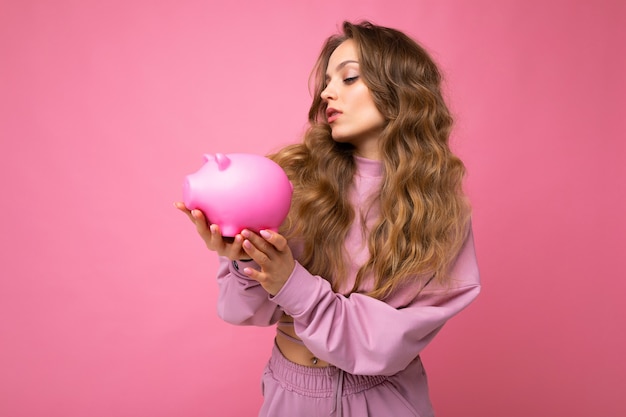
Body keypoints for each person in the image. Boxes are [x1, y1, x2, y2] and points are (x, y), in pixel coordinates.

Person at [176, 20, 480, 417]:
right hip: (292, 396)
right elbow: (240, 311)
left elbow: (383, 346)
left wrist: (292, 283)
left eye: (349, 77)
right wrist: (245, 258)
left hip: (387, 400)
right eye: (327, 80)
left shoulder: (439, 213)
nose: (326, 92)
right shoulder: (290, 180)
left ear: (401, 90)